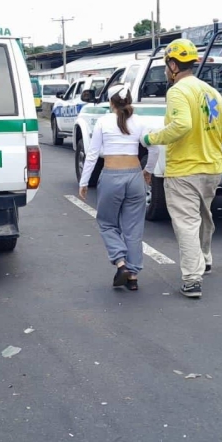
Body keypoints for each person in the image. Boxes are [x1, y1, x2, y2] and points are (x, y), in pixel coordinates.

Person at [141, 38, 222, 299]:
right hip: (212, 167)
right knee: (204, 215)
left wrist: (151, 138)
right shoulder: (210, 91)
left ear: (173, 64)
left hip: (184, 169)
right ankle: (204, 258)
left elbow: (181, 125)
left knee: (186, 223)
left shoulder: (178, 91)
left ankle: (192, 279)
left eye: (167, 65)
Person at [78, 85, 158, 290]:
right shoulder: (140, 122)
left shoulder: (103, 122)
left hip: (111, 177)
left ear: (111, 102)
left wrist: (84, 181)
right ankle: (132, 277)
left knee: (106, 223)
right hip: (134, 177)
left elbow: (92, 154)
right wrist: (147, 170)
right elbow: (155, 148)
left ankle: (121, 263)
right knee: (133, 229)